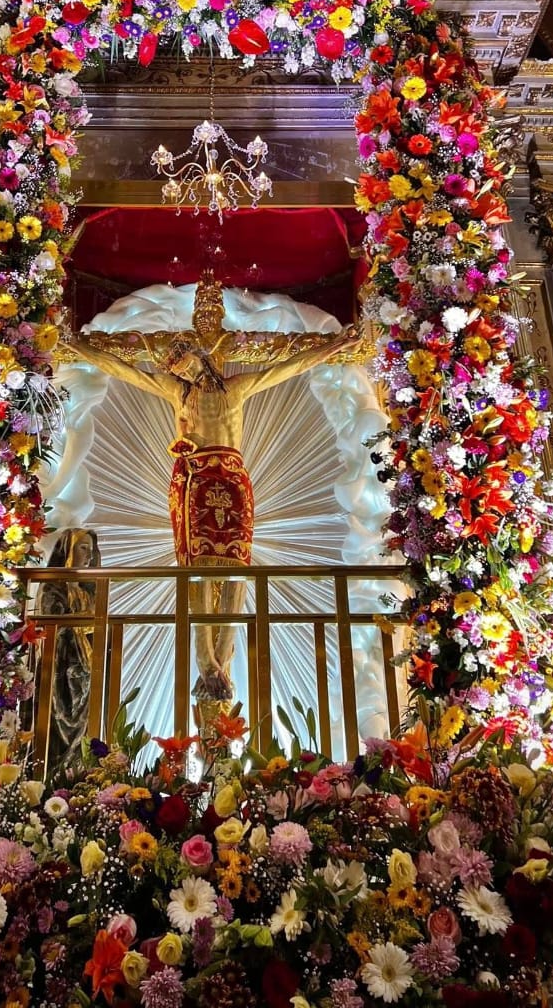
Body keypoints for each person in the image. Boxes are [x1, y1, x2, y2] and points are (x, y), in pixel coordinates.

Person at [71, 326, 359, 700]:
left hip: (234, 483)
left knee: (239, 569)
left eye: (181, 360)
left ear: (199, 355)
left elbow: (288, 367)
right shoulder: (180, 394)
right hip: (195, 484)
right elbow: (127, 371)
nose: (177, 369)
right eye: (173, 365)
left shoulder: (237, 388)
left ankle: (222, 659)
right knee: (196, 574)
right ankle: (205, 662)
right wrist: (77, 346)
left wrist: (335, 344)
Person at [36, 528, 100, 761]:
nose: (89, 556)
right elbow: (52, 624)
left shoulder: (87, 591)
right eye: (83, 548)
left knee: (83, 721)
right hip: (60, 664)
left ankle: (79, 771)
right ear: (68, 551)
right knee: (57, 719)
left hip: (84, 664)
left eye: (91, 551)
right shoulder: (54, 586)